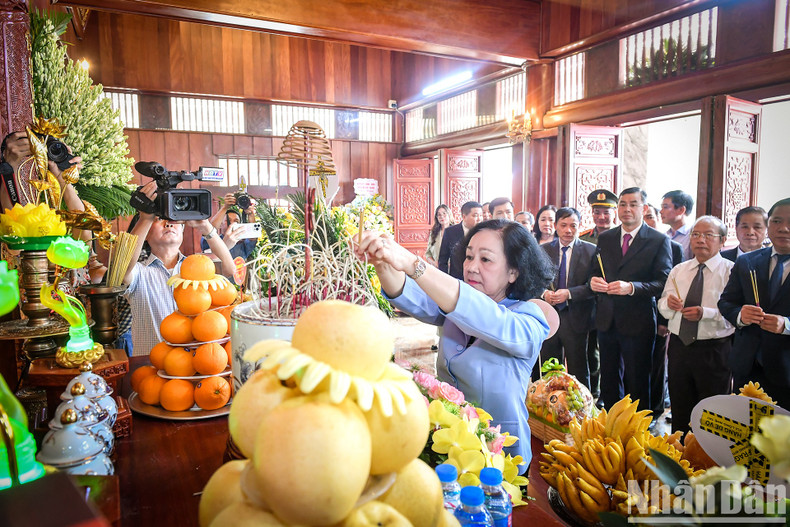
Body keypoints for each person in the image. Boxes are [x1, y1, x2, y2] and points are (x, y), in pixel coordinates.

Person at [355, 219, 555, 472]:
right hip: (450, 444)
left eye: (486, 260)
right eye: (469, 256)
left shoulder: (527, 320)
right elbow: (413, 297)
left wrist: (412, 263)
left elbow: (485, 317)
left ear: (514, 271)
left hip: (500, 454)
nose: (471, 267)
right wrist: (382, 262)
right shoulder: (455, 306)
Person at [122, 180, 235, 356]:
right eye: (159, 220)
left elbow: (229, 269)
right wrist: (146, 218)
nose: (168, 224)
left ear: (182, 229)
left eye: (173, 219)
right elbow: (123, 266)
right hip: (151, 369)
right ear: (145, 235)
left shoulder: (197, 268)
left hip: (194, 367)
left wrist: (205, 226)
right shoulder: (139, 273)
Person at [590, 187, 672, 413]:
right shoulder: (606, 238)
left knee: (637, 378)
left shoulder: (658, 240)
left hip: (638, 320)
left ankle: (638, 428)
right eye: (623, 204)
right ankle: (612, 422)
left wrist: (632, 288)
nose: (627, 209)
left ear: (644, 208)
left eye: (633, 204)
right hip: (607, 318)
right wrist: (594, 282)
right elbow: (594, 272)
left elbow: (663, 282)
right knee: (608, 377)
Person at [659, 216, 734, 435]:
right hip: (680, 347)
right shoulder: (679, 270)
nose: (701, 240)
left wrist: (706, 314)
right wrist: (668, 305)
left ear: (722, 241)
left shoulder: (731, 271)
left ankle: (708, 461)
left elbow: (737, 315)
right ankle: (680, 457)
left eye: (708, 235)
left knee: (712, 411)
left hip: (714, 349)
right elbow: (662, 306)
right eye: (696, 234)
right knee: (680, 406)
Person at [719, 198, 790, 408]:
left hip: (786, 368)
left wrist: (786, 325)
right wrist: (741, 315)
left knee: (780, 437)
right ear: (769, 226)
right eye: (777, 221)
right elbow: (726, 302)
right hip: (748, 366)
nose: (784, 228)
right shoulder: (748, 261)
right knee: (745, 432)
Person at [537, 207, 597, 391]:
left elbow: (593, 286)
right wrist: (544, 293)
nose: (568, 230)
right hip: (549, 316)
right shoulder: (543, 250)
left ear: (580, 226)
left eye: (573, 225)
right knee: (549, 365)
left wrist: (569, 293)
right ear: (555, 226)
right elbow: (534, 280)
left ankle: (583, 406)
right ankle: (548, 404)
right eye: (563, 225)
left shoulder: (591, 250)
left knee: (579, 366)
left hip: (577, 317)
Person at [579, 189, 618, 406]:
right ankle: (594, 392)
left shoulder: (621, 237)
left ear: (614, 213)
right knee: (591, 350)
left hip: (614, 302)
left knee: (612, 352)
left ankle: (609, 393)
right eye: (597, 212)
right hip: (589, 302)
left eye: (606, 212)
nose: (601, 217)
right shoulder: (585, 237)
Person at [645, 202, 684, 420]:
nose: (649, 221)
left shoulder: (672, 247)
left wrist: (663, 322)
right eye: (646, 217)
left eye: (652, 217)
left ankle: (656, 408)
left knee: (657, 366)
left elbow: (670, 289)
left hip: (659, 317)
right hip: (637, 317)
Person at [200, 194, 256, 261]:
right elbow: (209, 231)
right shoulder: (214, 240)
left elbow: (253, 236)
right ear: (221, 224)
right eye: (228, 220)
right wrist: (225, 207)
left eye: (236, 221)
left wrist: (251, 214)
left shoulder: (242, 243)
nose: (232, 224)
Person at [437, 201, 483, 279]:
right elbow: (443, 259)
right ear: (464, 217)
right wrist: (445, 279)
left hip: (478, 278)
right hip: (457, 278)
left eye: (481, 215)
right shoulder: (450, 232)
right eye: (475, 216)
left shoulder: (483, 232)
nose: (479, 219)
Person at [660, 190, 695, 261]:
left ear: (681, 210)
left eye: (665, 207)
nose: (661, 211)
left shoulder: (693, 236)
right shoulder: (664, 236)